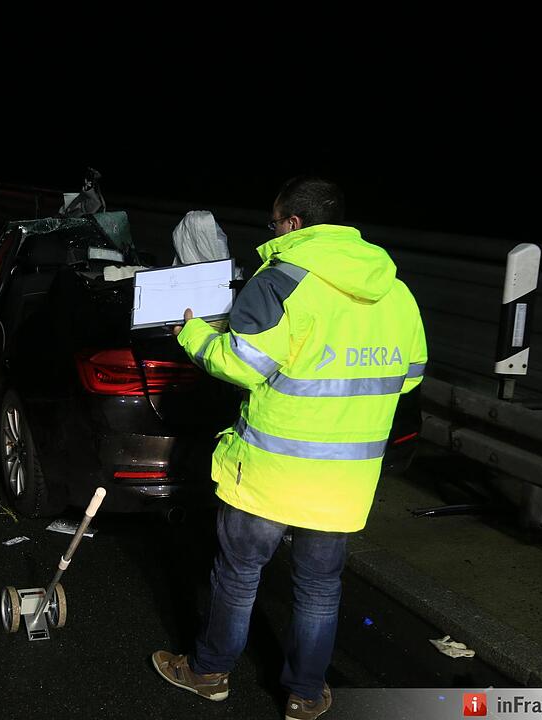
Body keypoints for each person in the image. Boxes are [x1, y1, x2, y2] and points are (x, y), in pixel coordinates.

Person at [151, 177, 426, 720]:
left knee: (238, 575)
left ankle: (208, 674)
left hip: (270, 473)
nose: (272, 231)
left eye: (274, 223)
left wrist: (193, 334)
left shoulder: (280, 281)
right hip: (344, 479)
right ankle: (305, 694)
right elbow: (411, 374)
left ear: (293, 223)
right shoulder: (394, 290)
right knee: (319, 588)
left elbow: (239, 365)